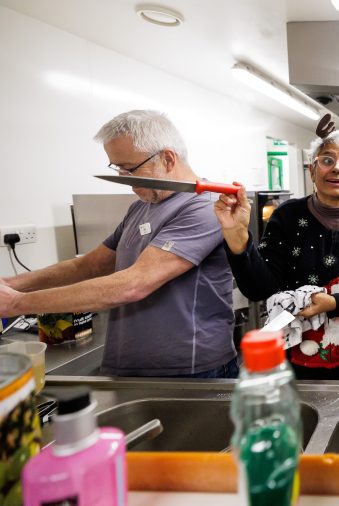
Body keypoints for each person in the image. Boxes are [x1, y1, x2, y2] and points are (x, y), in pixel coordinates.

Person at [0, 110, 238, 378]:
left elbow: (133, 284)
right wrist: (10, 284)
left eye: (130, 168)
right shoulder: (141, 207)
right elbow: (87, 266)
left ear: (168, 159)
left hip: (189, 370)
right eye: (118, 169)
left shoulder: (205, 208)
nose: (124, 179)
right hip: (130, 365)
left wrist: (16, 303)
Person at [215, 130, 339, 380]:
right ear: (312, 171)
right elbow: (259, 288)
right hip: (300, 361)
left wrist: (336, 303)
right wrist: (237, 236)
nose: (336, 168)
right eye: (327, 160)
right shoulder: (287, 216)